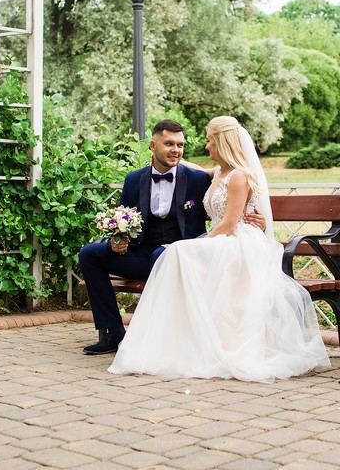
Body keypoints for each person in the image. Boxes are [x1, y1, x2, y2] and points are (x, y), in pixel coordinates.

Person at [108, 116, 330, 382]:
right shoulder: (219, 173)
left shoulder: (239, 176)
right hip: (220, 239)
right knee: (176, 255)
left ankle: (173, 334)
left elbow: (229, 224)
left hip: (237, 242)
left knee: (176, 252)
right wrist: (167, 157)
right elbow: (188, 168)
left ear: (221, 142)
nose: (206, 146)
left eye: (209, 140)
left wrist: (193, 242)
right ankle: (179, 336)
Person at [79, 118, 265, 355]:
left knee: (162, 254)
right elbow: (121, 219)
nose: (175, 150)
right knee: (90, 254)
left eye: (180, 145)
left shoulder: (198, 179)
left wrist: (256, 220)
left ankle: (155, 336)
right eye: (169, 144)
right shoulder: (133, 180)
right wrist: (117, 241)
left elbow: (234, 196)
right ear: (152, 146)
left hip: (183, 256)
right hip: (140, 252)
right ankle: (114, 332)